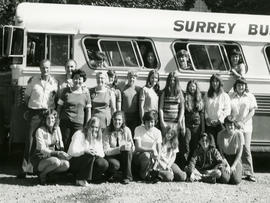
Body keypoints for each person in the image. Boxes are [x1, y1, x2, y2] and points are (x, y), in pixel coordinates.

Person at [18, 59, 59, 178]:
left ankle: (40, 169)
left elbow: (55, 99)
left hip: (48, 114)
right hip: (34, 113)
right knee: (30, 140)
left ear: (50, 69)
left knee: (46, 140)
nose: (45, 70)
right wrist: (30, 110)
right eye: (42, 67)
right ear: (39, 68)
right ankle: (25, 169)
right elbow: (26, 97)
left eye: (47, 68)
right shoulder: (33, 81)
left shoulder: (55, 83)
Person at [30, 110, 70, 185]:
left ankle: (49, 174)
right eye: (48, 118)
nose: (50, 120)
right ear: (44, 119)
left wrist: (64, 154)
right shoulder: (40, 130)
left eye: (52, 118)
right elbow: (42, 149)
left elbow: (60, 143)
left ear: (55, 120)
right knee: (56, 162)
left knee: (66, 165)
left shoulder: (57, 129)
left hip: (52, 157)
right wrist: (58, 153)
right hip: (40, 158)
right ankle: (42, 174)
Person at [229, 78, 257, 182]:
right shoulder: (230, 96)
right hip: (233, 126)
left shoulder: (250, 96)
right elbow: (228, 109)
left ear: (245, 86)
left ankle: (249, 173)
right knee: (236, 149)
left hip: (246, 127)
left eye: (242, 85)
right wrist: (234, 122)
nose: (241, 87)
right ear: (235, 86)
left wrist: (243, 122)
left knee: (246, 148)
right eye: (239, 85)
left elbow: (252, 112)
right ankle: (239, 172)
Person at [68, 117, 109, 186]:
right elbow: (72, 151)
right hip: (75, 160)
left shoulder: (98, 136)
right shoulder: (79, 134)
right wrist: (85, 151)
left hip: (89, 159)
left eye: (96, 127)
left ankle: (90, 179)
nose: (94, 129)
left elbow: (102, 154)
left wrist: (95, 152)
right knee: (89, 154)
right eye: (92, 126)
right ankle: (80, 179)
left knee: (103, 163)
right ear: (88, 126)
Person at [57, 69, 91, 151]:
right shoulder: (66, 91)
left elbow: (88, 111)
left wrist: (87, 125)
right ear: (72, 79)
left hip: (79, 124)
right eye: (75, 78)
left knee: (76, 145)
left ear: (83, 80)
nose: (77, 81)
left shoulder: (86, 94)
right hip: (65, 122)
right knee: (65, 143)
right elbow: (59, 107)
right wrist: (57, 120)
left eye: (80, 79)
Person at [103, 111, 134, 184]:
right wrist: (120, 149)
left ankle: (127, 177)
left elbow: (133, 146)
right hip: (111, 156)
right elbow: (106, 151)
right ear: (112, 120)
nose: (117, 121)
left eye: (119, 120)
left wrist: (130, 147)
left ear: (123, 121)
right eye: (115, 119)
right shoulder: (107, 131)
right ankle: (110, 174)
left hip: (124, 156)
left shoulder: (127, 130)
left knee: (128, 151)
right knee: (115, 165)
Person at [133, 111, 162, 180]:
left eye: (152, 122)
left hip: (152, 157)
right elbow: (137, 148)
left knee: (168, 176)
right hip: (139, 156)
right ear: (144, 121)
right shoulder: (138, 129)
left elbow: (159, 149)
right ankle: (143, 174)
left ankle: (153, 173)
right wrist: (151, 150)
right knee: (146, 155)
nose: (149, 124)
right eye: (147, 122)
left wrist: (158, 157)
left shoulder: (157, 132)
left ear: (155, 122)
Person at [204, 74, 231, 145]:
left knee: (221, 145)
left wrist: (219, 120)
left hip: (220, 125)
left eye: (217, 81)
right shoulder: (207, 95)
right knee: (211, 144)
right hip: (210, 125)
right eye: (213, 81)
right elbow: (204, 109)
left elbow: (227, 111)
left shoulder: (225, 96)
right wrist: (207, 119)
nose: (214, 83)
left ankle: (221, 156)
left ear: (220, 82)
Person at [217, 115, 244, 185]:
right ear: (225, 125)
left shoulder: (239, 134)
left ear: (234, 125)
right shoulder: (220, 134)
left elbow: (239, 153)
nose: (229, 127)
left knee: (236, 181)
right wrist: (227, 165)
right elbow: (221, 153)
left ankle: (238, 171)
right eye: (227, 125)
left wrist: (233, 166)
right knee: (224, 179)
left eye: (231, 125)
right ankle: (227, 175)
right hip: (225, 158)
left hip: (235, 158)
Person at [185, 80, 205, 158]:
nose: (191, 88)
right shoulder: (185, 97)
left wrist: (203, 129)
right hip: (187, 125)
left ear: (196, 87)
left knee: (195, 144)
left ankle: (193, 161)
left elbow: (202, 114)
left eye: (193, 86)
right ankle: (186, 160)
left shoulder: (200, 99)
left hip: (197, 125)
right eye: (190, 86)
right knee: (186, 142)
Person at [121, 71, 141, 136]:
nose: (131, 79)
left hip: (135, 115)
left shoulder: (138, 89)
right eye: (130, 77)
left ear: (135, 79)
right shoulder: (123, 89)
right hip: (125, 115)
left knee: (134, 133)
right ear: (127, 78)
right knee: (125, 132)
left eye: (133, 78)